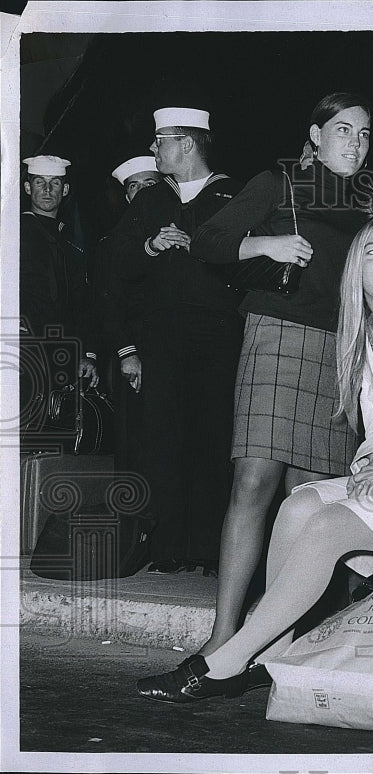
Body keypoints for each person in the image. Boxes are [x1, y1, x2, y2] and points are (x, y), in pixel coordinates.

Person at [136, 215, 373, 702]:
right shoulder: (361, 331)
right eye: (372, 251)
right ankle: (276, 653)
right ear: (355, 267)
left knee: (329, 524)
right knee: (300, 504)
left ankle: (226, 663)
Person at [190, 92, 373, 657]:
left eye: (365, 135)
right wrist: (266, 242)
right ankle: (223, 639)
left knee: (309, 501)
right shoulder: (280, 181)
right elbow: (209, 240)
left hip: (339, 352)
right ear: (315, 136)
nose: (357, 143)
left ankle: (278, 641)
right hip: (276, 336)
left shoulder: (367, 203)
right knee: (254, 483)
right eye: (343, 130)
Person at [110, 103, 245, 574]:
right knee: (163, 441)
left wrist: (204, 251)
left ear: (185, 143)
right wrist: (150, 246)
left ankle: (209, 550)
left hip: (218, 340)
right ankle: (167, 548)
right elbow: (118, 266)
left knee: (213, 439)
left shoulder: (234, 196)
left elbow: (251, 266)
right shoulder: (149, 201)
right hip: (163, 342)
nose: (153, 149)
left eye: (160, 141)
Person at [19, 154, 99, 428]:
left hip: (59, 354)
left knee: (48, 431)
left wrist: (86, 353)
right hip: (21, 348)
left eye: (55, 184)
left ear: (65, 191)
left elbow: (81, 302)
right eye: (39, 183)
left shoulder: (70, 243)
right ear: (28, 188)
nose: (47, 190)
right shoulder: (14, 232)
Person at [93, 154, 162, 472]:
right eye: (135, 187)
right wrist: (126, 352)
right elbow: (108, 302)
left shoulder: (177, 233)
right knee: (133, 441)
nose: (144, 192)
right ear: (126, 195)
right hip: (133, 351)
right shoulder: (112, 243)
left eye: (151, 184)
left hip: (170, 351)